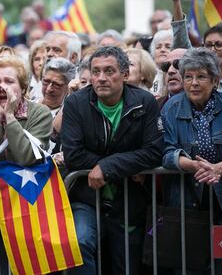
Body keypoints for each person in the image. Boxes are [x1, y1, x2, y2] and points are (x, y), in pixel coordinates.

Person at [61, 46, 163, 275]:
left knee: (124, 264)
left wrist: (107, 167)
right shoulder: (75, 103)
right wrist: (126, 165)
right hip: (86, 199)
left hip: (129, 200)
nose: (101, 78)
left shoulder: (145, 102)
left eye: (109, 71)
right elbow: (73, 154)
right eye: (95, 72)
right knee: (80, 242)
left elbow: (154, 151)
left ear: (125, 75)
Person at [0, 56, 52, 274]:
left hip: (29, 204)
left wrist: (11, 117)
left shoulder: (39, 114)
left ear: (23, 88)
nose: (2, 87)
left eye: (9, 81)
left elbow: (27, 156)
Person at [162, 47, 222, 274]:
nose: (194, 83)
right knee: (191, 265)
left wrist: (217, 169)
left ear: (215, 80)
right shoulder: (171, 108)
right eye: (188, 77)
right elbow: (167, 151)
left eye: (201, 77)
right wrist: (191, 164)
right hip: (188, 199)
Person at [150, 29, 173, 97]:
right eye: (158, 47)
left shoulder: (178, 75)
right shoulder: (148, 74)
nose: (162, 50)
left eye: (168, 47)